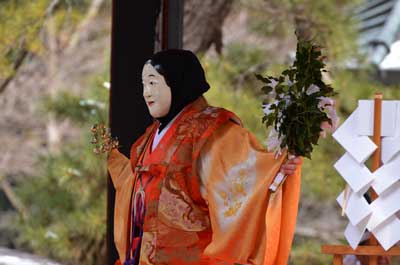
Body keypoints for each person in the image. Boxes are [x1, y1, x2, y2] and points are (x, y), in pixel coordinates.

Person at [107, 49, 302, 265]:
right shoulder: (148, 138)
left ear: (178, 82)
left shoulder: (212, 132)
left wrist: (276, 168)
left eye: (153, 83)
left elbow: (245, 178)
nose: (146, 93)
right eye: (144, 84)